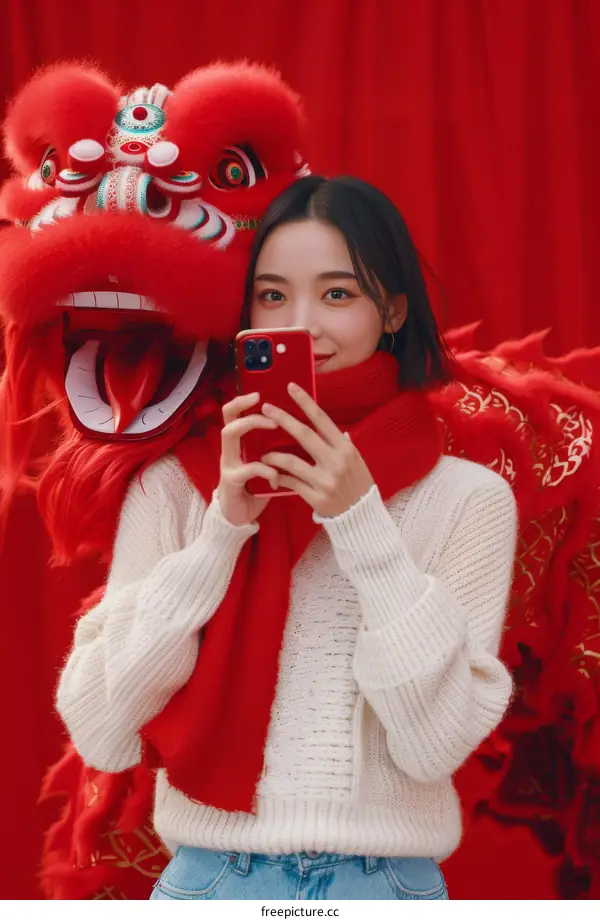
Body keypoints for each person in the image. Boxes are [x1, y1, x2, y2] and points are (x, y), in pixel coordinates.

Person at [56, 175, 517, 901]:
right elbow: (103, 726)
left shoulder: (467, 500)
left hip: (385, 885)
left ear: (392, 309)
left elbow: (435, 743)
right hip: (211, 881)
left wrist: (360, 521)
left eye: (338, 294)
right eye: (272, 295)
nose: (301, 323)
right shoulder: (179, 487)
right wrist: (220, 534)